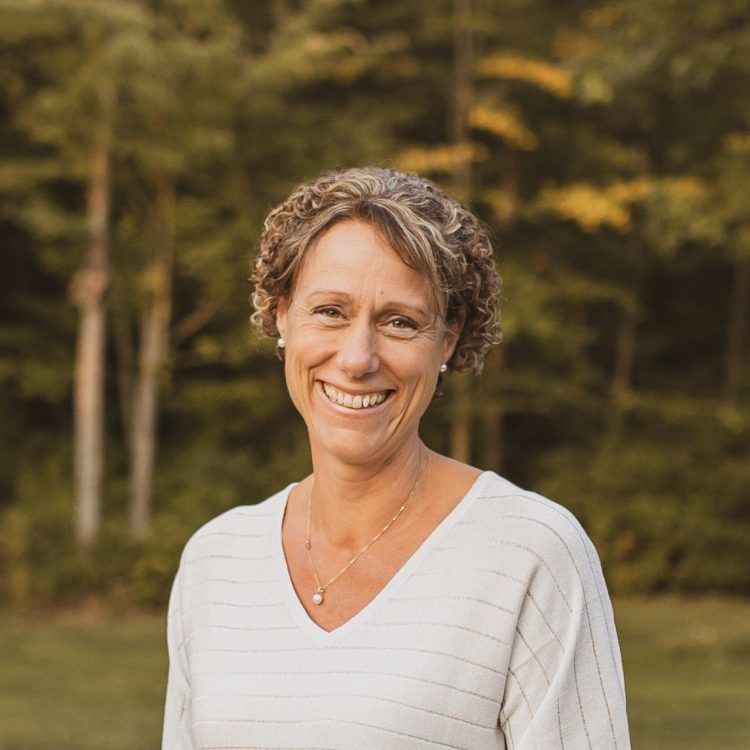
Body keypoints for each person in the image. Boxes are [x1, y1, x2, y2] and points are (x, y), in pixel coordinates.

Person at [162, 167, 630, 750]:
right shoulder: (215, 559)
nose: (358, 358)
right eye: (330, 311)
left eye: (399, 322)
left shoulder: (530, 553)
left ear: (448, 339)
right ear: (281, 314)